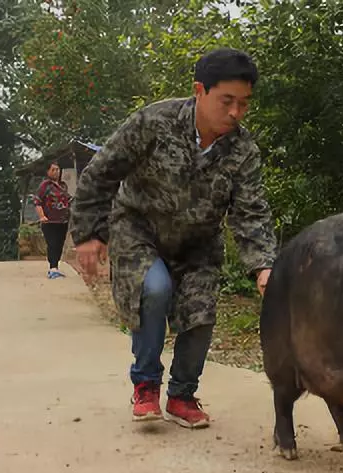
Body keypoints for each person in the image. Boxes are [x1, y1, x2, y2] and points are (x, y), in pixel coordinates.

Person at [70, 48, 277, 429]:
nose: (235, 112)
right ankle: (146, 385)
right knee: (156, 288)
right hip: (139, 229)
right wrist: (89, 233)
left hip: (198, 243)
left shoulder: (243, 151)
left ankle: (182, 395)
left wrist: (264, 266)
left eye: (244, 104)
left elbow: (251, 211)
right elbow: (101, 174)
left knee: (200, 314)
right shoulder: (154, 122)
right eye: (226, 101)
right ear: (200, 90)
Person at [32, 161, 73, 279]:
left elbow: (68, 200)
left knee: (60, 244)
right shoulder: (45, 185)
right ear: (48, 171)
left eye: (58, 169)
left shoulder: (63, 185)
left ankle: (56, 267)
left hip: (63, 221)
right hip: (49, 221)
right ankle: (52, 268)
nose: (56, 172)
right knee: (52, 244)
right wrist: (42, 216)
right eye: (53, 170)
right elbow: (37, 201)